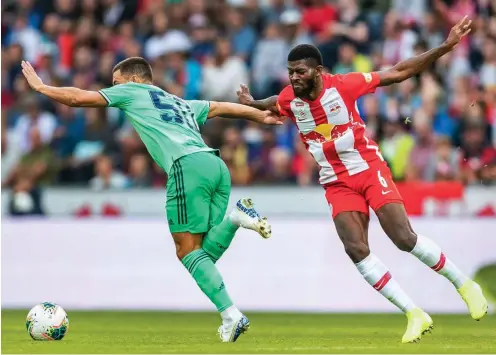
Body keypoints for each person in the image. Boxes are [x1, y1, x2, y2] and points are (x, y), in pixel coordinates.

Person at [237, 16, 488, 343]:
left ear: (319, 71)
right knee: (355, 248)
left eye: (300, 71)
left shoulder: (344, 85)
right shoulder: (289, 98)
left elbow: (399, 71)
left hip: (368, 169)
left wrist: (446, 45)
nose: (294, 77)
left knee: (403, 238)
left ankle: (465, 285)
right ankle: (414, 312)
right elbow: (275, 103)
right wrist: (253, 103)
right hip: (335, 183)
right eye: (290, 72)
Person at [21, 56, 284, 343]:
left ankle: (231, 310)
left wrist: (42, 87)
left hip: (186, 168)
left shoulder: (131, 92)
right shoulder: (178, 102)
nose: (113, 90)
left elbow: (77, 98)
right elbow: (219, 107)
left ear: (133, 80)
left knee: (186, 251)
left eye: (116, 83)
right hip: (215, 166)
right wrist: (258, 115)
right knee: (202, 253)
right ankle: (235, 229)